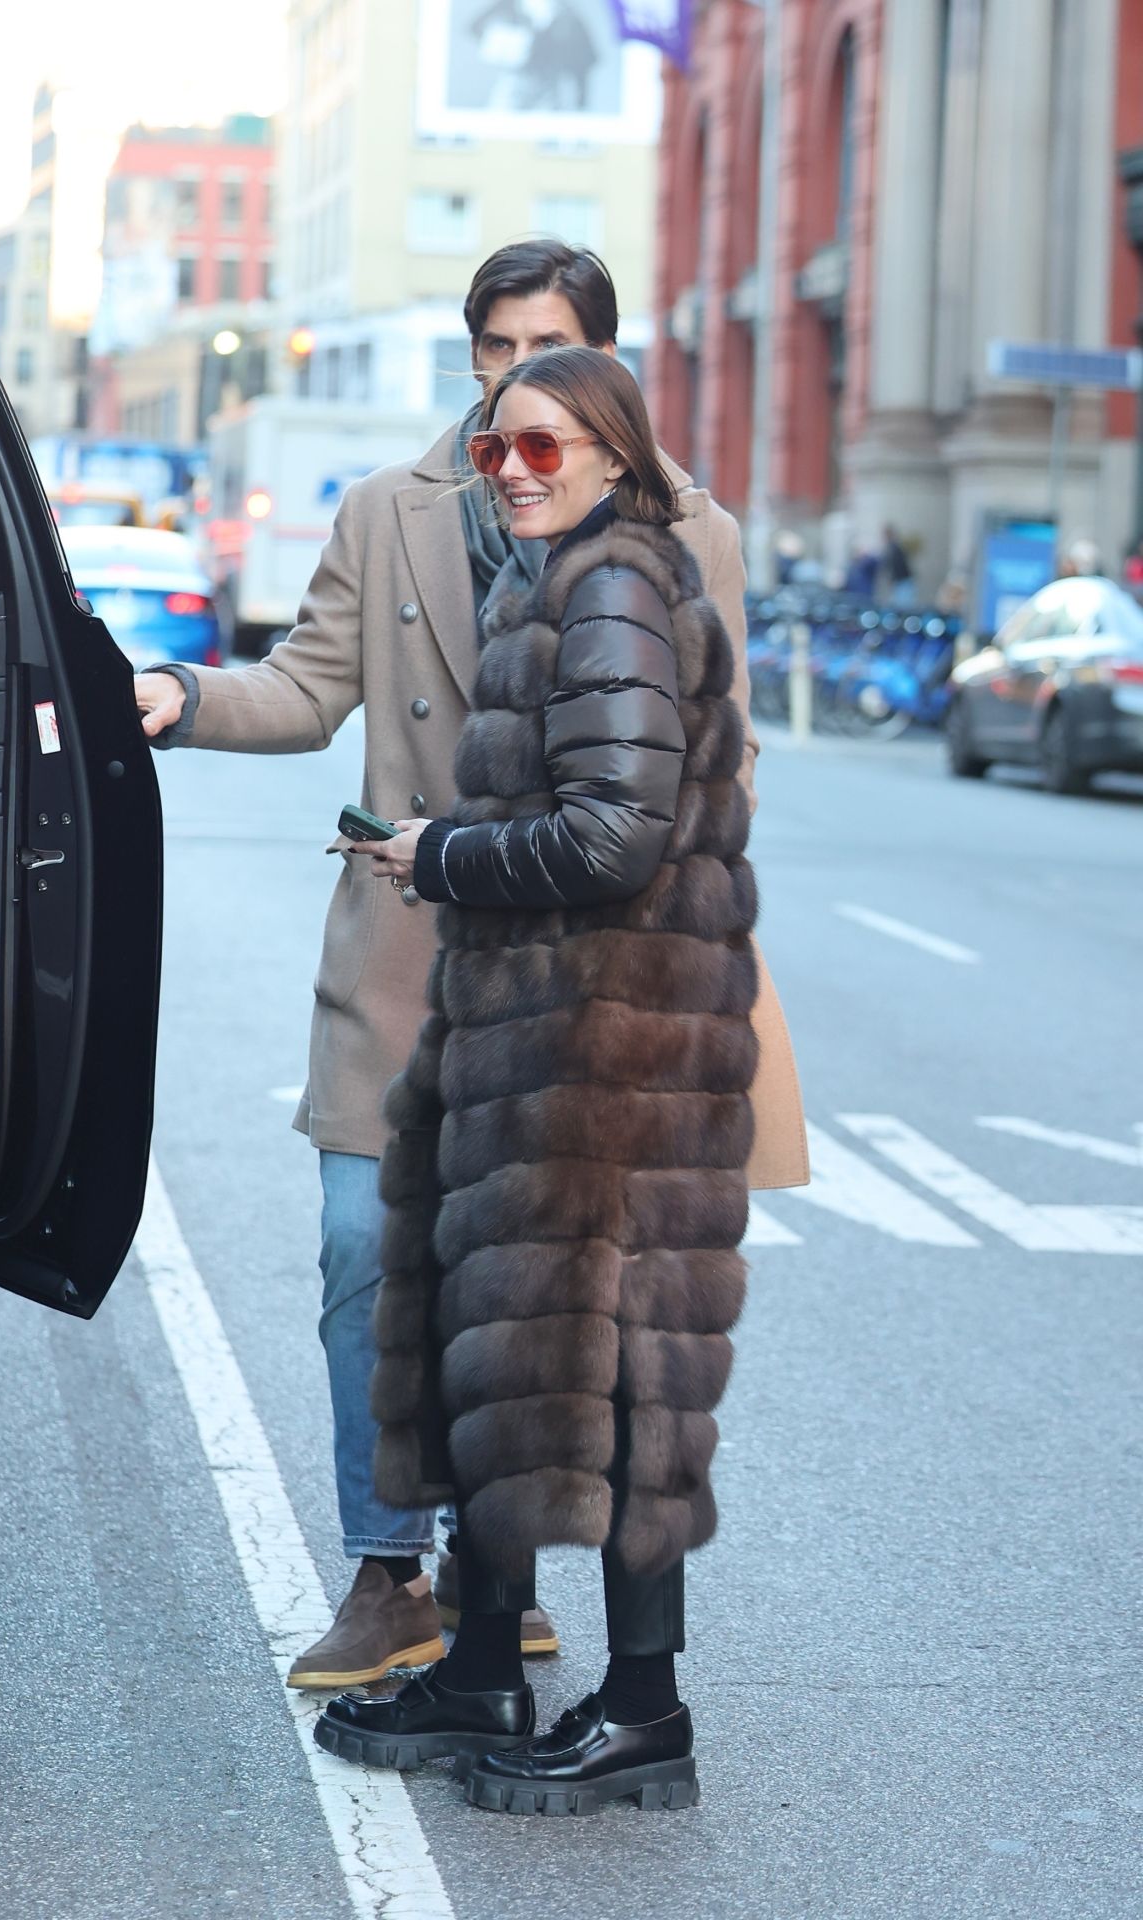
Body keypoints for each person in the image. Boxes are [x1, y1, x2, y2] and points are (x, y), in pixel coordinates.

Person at [133, 242, 808, 1697]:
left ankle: (503, 1600)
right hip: (413, 960)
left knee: (574, 1293)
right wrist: (172, 696)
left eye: (545, 346)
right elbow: (307, 687)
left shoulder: (695, 533)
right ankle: (396, 1577)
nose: (511, 377)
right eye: (493, 346)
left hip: (581, 975)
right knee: (367, 1248)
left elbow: (714, 754)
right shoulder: (394, 511)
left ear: (606, 373)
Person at [311, 346, 775, 1815]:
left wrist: (433, 855)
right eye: (501, 447)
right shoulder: (555, 578)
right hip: (537, 1040)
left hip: (606, 1057)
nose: (517, 469)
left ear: (618, 457)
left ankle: (644, 1714)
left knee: (621, 1376)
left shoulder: (616, 586)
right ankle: (483, 1668)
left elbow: (616, 835)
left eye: (550, 447)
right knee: (500, 1349)